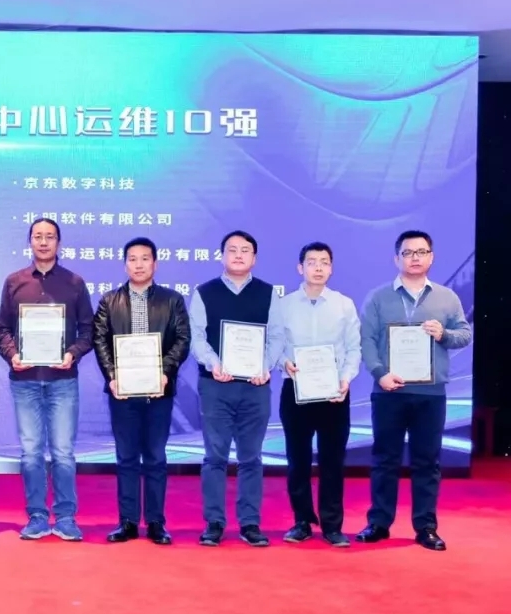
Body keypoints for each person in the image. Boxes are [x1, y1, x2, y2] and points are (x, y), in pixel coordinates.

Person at [356, 230, 471, 551]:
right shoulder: (378, 297)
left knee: (427, 462)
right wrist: (380, 374)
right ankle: (379, 523)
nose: (415, 258)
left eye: (421, 252)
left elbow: (464, 334)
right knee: (385, 459)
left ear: (431, 257)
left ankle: (426, 526)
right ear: (397, 258)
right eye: (408, 253)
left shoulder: (447, 298)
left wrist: (444, 334)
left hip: (430, 393)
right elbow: (366, 340)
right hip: (388, 391)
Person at [0, 218, 94, 541]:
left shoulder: (74, 283)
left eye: (49, 237)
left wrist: (72, 354)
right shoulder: (14, 282)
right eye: (38, 236)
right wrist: (12, 355)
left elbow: (88, 330)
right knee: (31, 453)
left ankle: (65, 517)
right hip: (24, 381)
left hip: (63, 380)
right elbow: (2, 329)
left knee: (63, 452)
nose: (43, 242)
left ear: (58, 243)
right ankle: (37, 515)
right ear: (30, 242)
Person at [189, 230, 285, 547]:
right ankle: (214, 522)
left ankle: (250, 523)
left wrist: (264, 366)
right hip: (216, 386)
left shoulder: (268, 293)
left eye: (245, 250)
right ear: (222, 256)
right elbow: (197, 336)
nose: (239, 255)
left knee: (251, 458)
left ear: (254, 258)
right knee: (215, 457)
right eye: (232, 250)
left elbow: (276, 336)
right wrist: (214, 363)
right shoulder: (204, 292)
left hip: (255, 387)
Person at [92, 237, 190, 544]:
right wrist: (112, 376)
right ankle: (128, 521)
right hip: (122, 393)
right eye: (132, 259)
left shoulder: (172, 300)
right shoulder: (109, 301)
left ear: (155, 264)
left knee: (156, 457)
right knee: (126, 458)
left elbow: (182, 340)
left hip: (159, 391)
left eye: (145, 258)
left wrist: (164, 373)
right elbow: (100, 340)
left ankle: (157, 522)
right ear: (125, 265)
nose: (138, 264)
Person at [278, 242, 360, 548]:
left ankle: (332, 525)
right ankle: (301, 521)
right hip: (295, 390)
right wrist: (283, 361)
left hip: (333, 393)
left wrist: (346, 378)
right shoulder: (283, 305)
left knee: (332, 461)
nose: (318, 267)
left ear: (331, 268)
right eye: (311, 262)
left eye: (324, 262)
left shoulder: (344, 305)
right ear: (300, 268)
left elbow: (354, 348)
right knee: (297, 460)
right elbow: (274, 345)